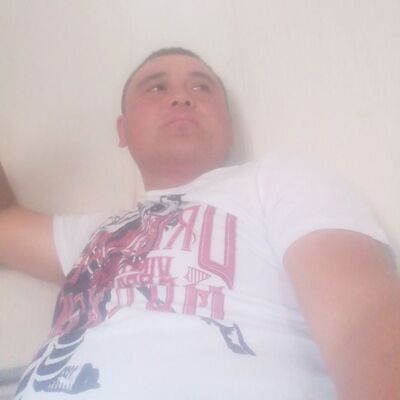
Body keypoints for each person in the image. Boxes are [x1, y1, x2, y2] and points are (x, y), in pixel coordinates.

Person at [0, 47, 399, 399]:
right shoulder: (95, 235)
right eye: (156, 88)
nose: (181, 97)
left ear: (227, 122)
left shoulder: (278, 182)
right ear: (123, 130)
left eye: (201, 87)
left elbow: (364, 328)